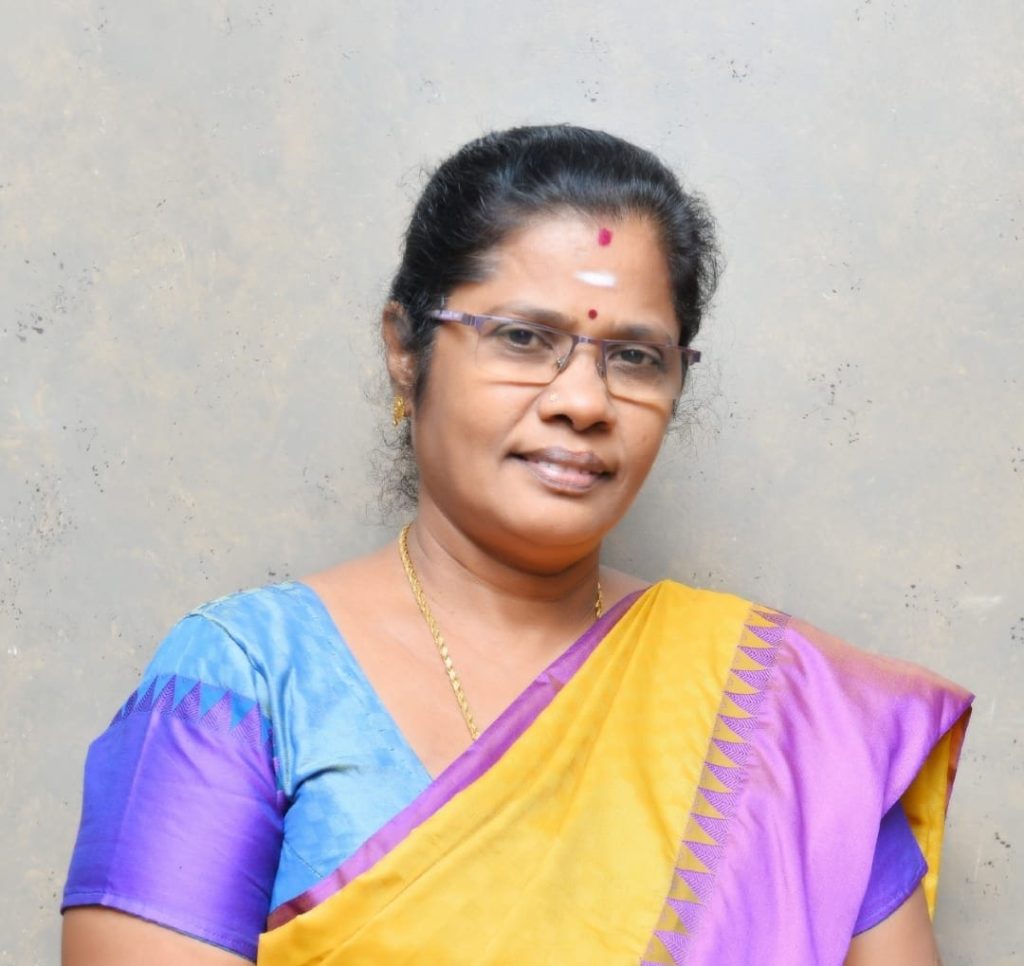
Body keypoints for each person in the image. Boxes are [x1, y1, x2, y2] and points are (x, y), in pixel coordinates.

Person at [61, 125, 971, 966]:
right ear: (405, 349)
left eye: (635, 356)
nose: (583, 401)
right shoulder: (246, 683)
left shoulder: (789, 717)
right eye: (525, 338)